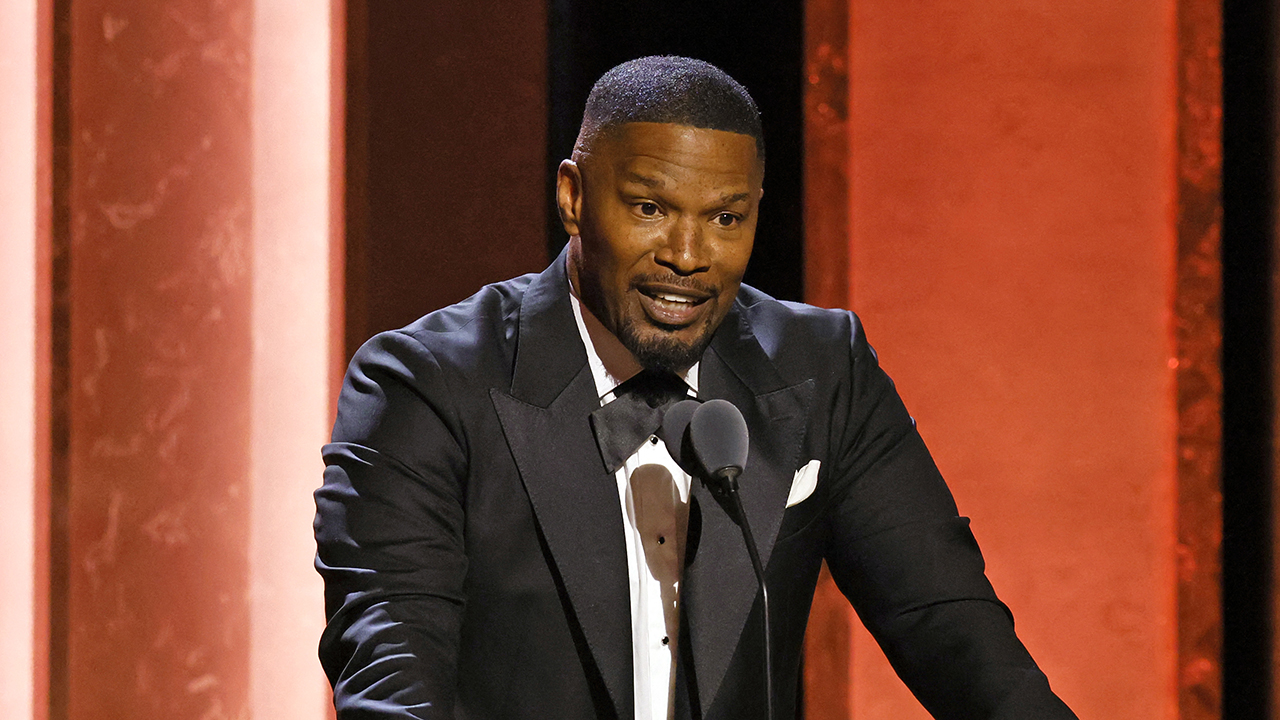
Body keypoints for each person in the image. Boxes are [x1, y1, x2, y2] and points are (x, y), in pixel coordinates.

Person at [314, 56, 1077, 720]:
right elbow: (392, 673)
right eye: (650, 208)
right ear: (574, 197)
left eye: (725, 218)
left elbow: (957, 634)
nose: (689, 255)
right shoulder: (426, 385)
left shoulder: (822, 367)